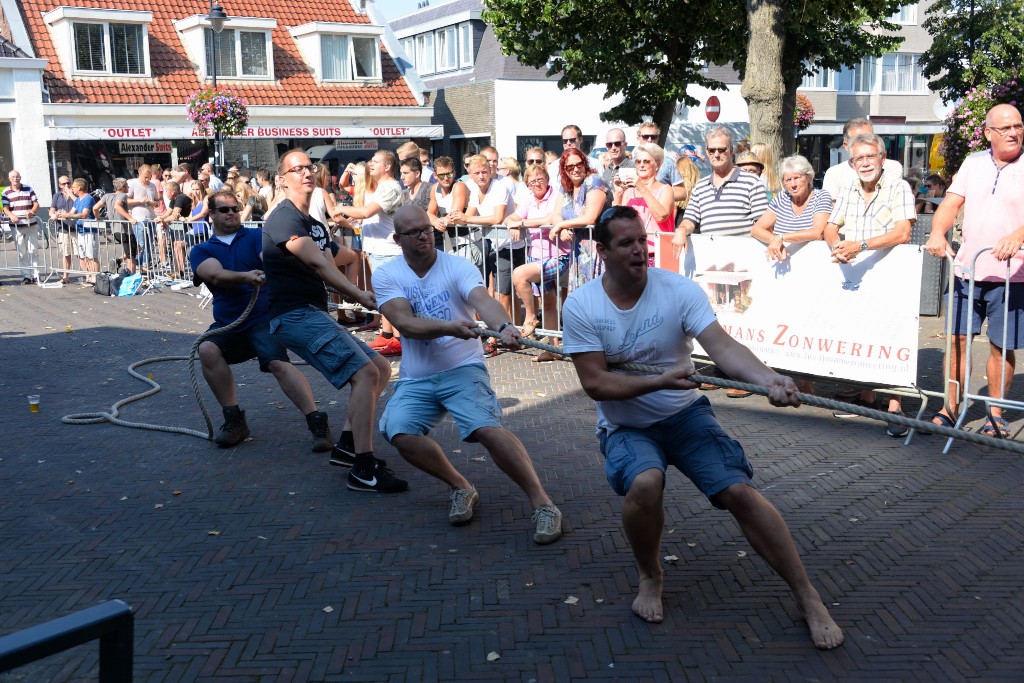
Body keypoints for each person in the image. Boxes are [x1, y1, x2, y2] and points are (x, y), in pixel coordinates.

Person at [561, 205, 844, 649]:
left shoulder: (678, 290)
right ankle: (650, 574)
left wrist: (767, 379)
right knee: (645, 483)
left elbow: (722, 347)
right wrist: (657, 380)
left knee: (738, 492)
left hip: (685, 413)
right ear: (603, 252)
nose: (639, 250)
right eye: (626, 243)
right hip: (627, 425)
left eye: (642, 240)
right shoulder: (581, 305)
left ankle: (807, 595)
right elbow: (595, 383)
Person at [374, 204, 563, 544]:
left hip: (463, 368)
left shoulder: (458, 266)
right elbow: (405, 324)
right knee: (398, 431)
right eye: (414, 231)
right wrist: (449, 326)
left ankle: (543, 503)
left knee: (487, 429)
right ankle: (461, 486)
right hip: (418, 377)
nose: (424, 235)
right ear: (397, 238)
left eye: (428, 229)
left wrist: (503, 325)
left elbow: (481, 299)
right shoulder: (387, 274)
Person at [261, 148, 405, 493]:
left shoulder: (312, 222)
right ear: (282, 180)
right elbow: (319, 265)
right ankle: (363, 467)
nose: (306, 173)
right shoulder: (283, 218)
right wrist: (360, 296)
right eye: (297, 170)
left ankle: (347, 446)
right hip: (293, 315)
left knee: (381, 370)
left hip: (311, 311)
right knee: (366, 373)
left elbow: (335, 258)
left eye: (309, 167)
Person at [189, 189, 332, 451]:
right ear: (211, 215)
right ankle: (234, 421)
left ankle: (316, 421)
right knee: (207, 348)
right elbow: (215, 275)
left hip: (264, 318)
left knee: (277, 362)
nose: (232, 213)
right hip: (229, 323)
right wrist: (246, 277)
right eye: (224, 209)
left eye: (235, 208)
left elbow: (272, 260)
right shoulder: (201, 250)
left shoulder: (257, 237)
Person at [925, 103, 1024, 436]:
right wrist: (938, 233)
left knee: (1001, 346)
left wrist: (1017, 235)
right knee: (957, 340)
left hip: (1013, 276)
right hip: (968, 270)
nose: (1014, 132)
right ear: (988, 133)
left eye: (1018, 126)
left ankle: (996, 414)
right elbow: (951, 203)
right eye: (1006, 128)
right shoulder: (974, 162)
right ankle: (949, 408)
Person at [824, 133, 915, 436]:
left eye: (870, 156)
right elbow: (830, 225)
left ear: (882, 158)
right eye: (859, 158)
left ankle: (895, 407)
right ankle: (866, 398)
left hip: (888, 275)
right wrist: (836, 244)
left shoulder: (898, 187)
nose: (865, 163)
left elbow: (903, 233)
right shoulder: (849, 188)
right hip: (857, 273)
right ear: (851, 163)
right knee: (862, 334)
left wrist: (859, 245)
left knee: (891, 338)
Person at [335, 150, 405, 357]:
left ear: (388, 167)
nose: (370, 164)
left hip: (389, 251)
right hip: (377, 250)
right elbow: (367, 218)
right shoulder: (381, 187)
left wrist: (338, 207)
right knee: (384, 296)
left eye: (376, 161)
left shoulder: (390, 187)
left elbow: (366, 212)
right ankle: (386, 334)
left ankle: (399, 340)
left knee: (393, 297)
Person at [448, 154, 522, 351]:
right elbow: (468, 216)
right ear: (470, 175)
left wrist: (465, 218)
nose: (481, 176)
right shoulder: (472, 188)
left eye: (484, 172)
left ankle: (505, 334)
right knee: (486, 289)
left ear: (491, 171)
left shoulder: (501, 186)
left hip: (508, 245)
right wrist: (452, 219)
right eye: (477, 173)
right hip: (488, 243)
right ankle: (495, 332)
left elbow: (497, 218)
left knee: (502, 292)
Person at [507, 163, 562, 340]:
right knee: (549, 303)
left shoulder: (556, 196)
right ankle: (553, 347)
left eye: (540, 179)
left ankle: (530, 315)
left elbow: (549, 218)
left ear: (547, 179)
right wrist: (512, 223)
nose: (537, 184)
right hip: (536, 254)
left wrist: (521, 223)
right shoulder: (529, 199)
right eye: (532, 182)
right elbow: (511, 217)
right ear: (527, 185)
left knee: (519, 274)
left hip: (556, 254)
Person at [751, 154, 831, 261]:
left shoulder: (821, 196)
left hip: (811, 260)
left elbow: (818, 233)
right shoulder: (782, 197)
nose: (793, 184)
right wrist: (774, 240)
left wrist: (781, 237)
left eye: (797, 178)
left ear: (808, 177)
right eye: (788, 180)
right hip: (781, 260)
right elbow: (756, 229)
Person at [612, 142, 675, 259]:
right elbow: (618, 223)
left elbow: (661, 216)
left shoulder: (666, 190)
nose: (641, 165)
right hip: (633, 253)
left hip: (659, 254)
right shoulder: (628, 192)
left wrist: (642, 187)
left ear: (657, 164)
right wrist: (618, 194)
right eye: (638, 161)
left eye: (646, 161)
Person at [822, 118, 904, 202]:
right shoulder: (834, 173)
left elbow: (891, 201)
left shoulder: (892, 168)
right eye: (858, 140)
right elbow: (830, 208)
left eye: (869, 138)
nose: (865, 144)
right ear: (846, 145)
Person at [3, 169, 41, 284]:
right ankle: (26, 275)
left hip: (31, 224)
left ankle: (36, 275)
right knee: (21, 251)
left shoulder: (28, 188)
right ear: (9, 179)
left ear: (20, 177)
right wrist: (11, 215)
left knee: (33, 250)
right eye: (13, 177)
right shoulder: (6, 192)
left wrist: (32, 212)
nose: (16, 179)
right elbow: (5, 208)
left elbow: (36, 204)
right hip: (16, 225)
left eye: (17, 176)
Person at [125, 165, 160, 270]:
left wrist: (153, 203)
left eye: (149, 177)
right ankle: (137, 266)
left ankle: (145, 265)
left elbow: (157, 201)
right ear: (139, 174)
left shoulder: (152, 185)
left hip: (151, 217)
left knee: (150, 243)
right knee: (141, 243)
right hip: (138, 218)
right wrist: (139, 201)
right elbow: (126, 200)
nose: (147, 179)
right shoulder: (133, 184)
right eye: (145, 177)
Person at [99, 178, 135, 274]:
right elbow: (117, 206)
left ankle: (118, 261)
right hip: (125, 230)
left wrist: (97, 217)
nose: (128, 187)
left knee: (136, 249)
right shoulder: (123, 195)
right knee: (131, 256)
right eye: (127, 185)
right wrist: (130, 218)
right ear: (123, 187)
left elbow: (95, 208)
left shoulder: (107, 196)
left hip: (115, 230)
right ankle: (131, 277)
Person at [68, 178, 99, 285]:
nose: (72, 190)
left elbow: (84, 214)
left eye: (73, 187)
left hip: (90, 230)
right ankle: (89, 276)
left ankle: (95, 277)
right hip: (81, 230)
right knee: (83, 254)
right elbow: (71, 212)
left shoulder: (88, 198)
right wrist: (61, 214)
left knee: (92, 255)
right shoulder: (77, 200)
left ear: (79, 188)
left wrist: (68, 215)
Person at [48, 175, 76, 283]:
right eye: (64, 184)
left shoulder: (76, 194)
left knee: (80, 254)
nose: (67, 185)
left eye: (68, 183)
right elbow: (52, 210)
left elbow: (80, 204)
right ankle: (65, 276)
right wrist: (53, 215)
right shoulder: (57, 196)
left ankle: (88, 276)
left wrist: (71, 194)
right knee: (66, 253)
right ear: (60, 185)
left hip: (76, 227)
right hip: (63, 228)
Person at [427, 156, 458, 251]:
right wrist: (436, 222)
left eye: (449, 174)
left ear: (454, 173)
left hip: (469, 242)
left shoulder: (459, 186)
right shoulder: (434, 188)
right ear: (435, 175)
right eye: (441, 175)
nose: (445, 178)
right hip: (450, 242)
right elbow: (429, 213)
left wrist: (439, 221)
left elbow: (455, 216)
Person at [600, 127, 634, 196]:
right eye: (609, 144)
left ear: (625, 145)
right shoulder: (606, 171)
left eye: (617, 143)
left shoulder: (633, 168)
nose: (613, 148)